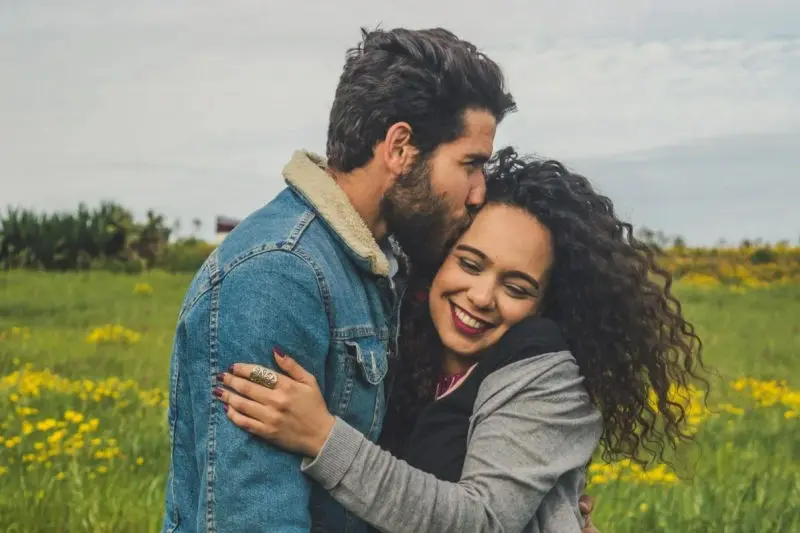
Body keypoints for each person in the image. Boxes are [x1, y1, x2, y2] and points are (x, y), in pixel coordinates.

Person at [214, 148, 708, 532]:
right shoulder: (398, 344)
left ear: (543, 304)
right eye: (470, 264)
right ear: (439, 261)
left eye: (517, 288)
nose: (481, 296)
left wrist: (321, 437)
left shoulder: (548, 373)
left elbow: (480, 521)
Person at [161, 26, 520, 533]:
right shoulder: (278, 276)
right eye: (471, 164)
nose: (479, 191)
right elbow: (252, 520)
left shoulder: (383, 259)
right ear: (400, 148)